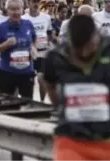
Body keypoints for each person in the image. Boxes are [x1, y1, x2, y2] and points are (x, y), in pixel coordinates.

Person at [42, 14, 110, 161]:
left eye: (89, 47)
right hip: (71, 142)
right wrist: (61, 105)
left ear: (96, 36)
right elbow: (49, 84)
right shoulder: (55, 57)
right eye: (78, 49)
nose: (84, 53)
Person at [0, 0, 37, 98]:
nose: (15, 12)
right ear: (7, 11)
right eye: (12, 9)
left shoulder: (28, 24)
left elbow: (33, 40)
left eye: (18, 9)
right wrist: (6, 44)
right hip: (7, 72)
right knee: (5, 104)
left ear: (22, 10)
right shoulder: (1, 27)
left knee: (27, 104)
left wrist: (33, 49)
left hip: (27, 72)